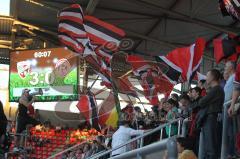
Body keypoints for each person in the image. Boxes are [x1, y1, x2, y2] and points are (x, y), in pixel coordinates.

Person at [191, 69, 224, 159]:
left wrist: (203, 98)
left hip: (211, 119)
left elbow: (201, 102)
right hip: (210, 119)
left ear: (213, 77)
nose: (206, 78)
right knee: (209, 147)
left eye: (208, 76)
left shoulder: (216, 89)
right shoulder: (215, 89)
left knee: (211, 148)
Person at [223, 61, 237, 158]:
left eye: (226, 66)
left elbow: (235, 90)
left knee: (231, 132)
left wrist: (232, 104)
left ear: (231, 67)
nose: (224, 68)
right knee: (228, 132)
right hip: (227, 108)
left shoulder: (235, 77)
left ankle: (232, 153)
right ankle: (230, 152)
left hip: (230, 108)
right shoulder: (230, 79)